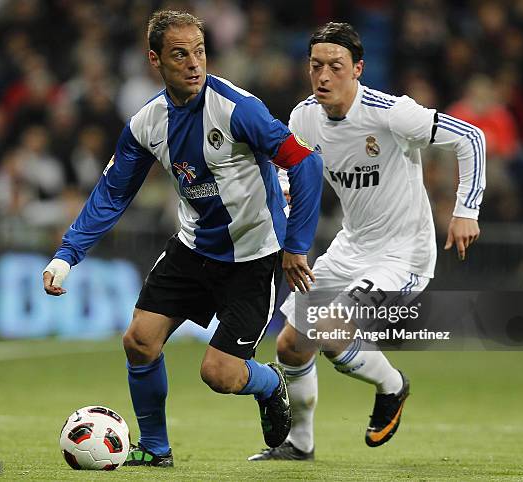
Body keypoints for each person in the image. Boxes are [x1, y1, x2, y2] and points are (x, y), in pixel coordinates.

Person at [42, 10, 324, 468]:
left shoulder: (238, 108)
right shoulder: (147, 123)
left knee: (219, 374)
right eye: (180, 55)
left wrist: (296, 245)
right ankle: (155, 449)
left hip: (253, 256)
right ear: (155, 60)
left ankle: (270, 384)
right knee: (138, 341)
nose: (194, 64)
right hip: (193, 249)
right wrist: (67, 255)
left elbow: (305, 164)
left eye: (200, 52)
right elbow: (112, 193)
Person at [250, 22, 485, 461]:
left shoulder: (392, 113)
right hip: (351, 246)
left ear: (357, 68)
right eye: (316, 66)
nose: (323, 76)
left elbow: (471, 138)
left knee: (331, 324)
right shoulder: (303, 117)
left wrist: (465, 210)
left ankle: (392, 386)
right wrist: (281, 191)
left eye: (335, 66)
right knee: (290, 344)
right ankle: (300, 445)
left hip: (403, 254)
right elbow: (293, 170)